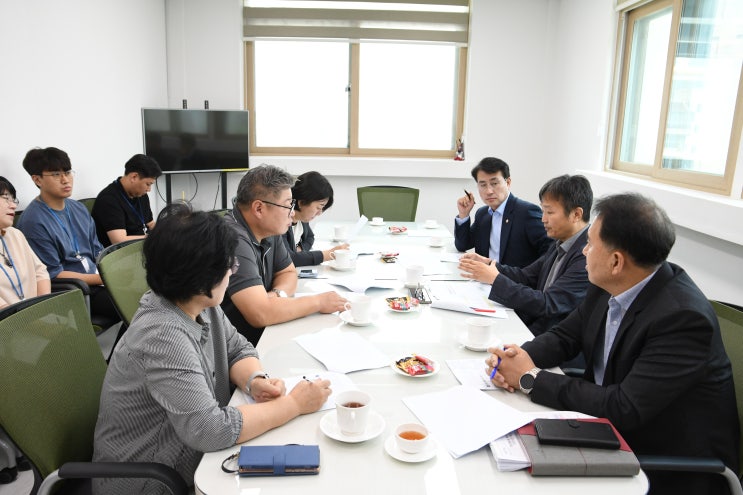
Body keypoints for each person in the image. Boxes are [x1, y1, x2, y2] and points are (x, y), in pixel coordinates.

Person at [488, 193, 739, 495]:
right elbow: (565, 336)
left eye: (590, 244)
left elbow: (624, 408)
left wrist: (530, 378)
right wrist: (515, 358)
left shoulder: (682, 318)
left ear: (616, 261)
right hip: (607, 427)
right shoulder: (609, 284)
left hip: (666, 462)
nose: (583, 251)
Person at [92, 204, 331, 495]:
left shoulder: (198, 302)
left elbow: (236, 348)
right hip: (150, 479)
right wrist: (294, 405)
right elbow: (210, 431)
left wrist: (255, 380)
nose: (232, 272)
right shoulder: (163, 335)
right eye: (230, 266)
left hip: (189, 455)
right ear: (202, 277)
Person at [221, 165, 348, 345]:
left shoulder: (269, 229)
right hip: (236, 347)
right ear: (259, 208)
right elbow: (260, 314)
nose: (292, 212)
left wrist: (276, 296)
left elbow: (288, 273)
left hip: (265, 333)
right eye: (288, 205)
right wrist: (319, 302)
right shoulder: (233, 239)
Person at [458, 174, 592, 338]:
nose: (543, 219)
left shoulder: (586, 255)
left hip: (553, 338)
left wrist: (495, 279)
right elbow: (526, 276)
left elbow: (548, 303)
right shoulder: (560, 242)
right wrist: (489, 265)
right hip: (535, 326)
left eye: (549, 212)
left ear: (576, 214)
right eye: (543, 211)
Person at [16, 147, 118, 320]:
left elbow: (97, 251)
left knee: (150, 293)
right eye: (56, 174)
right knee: (138, 305)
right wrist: (103, 278)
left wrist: (116, 271)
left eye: (68, 172)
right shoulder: (33, 221)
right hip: (76, 290)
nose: (65, 180)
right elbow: (53, 274)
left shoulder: (78, 208)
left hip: (98, 279)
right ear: (37, 179)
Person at [454, 157, 551, 267]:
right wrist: (464, 214)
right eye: (483, 185)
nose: (489, 191)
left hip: (514, 277)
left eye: (494, 183)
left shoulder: (527, 212)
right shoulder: (482, 214)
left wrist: (527, 274)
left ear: (508, 182)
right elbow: (462, 245)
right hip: (483, 276)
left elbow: (550, 252)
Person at [0, 176, 50, 308]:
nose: (13, 206)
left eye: (13, 200)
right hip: (8, 318)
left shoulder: (15, 234)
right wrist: (25, 317)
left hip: (37, 311)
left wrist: (43, 306)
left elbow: (40, 272)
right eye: (6, 199)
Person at [92, 154, 162, 247]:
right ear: (134, 177)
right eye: (148, 184)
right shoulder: (108, 199)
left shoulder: (140, 194)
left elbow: (151, 224)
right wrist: (152, 237)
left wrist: (164, 233)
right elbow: (119, 240)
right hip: (121, 252)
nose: (149, 190)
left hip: (141, 246)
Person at [282, 171, 348, 266]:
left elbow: (310, 237)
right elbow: (288, 259)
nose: (319, 213)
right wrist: (328, 254)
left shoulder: (302, 219)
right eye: (318, 207)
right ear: (302, 202)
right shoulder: (281, 222)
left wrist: (300, 249)